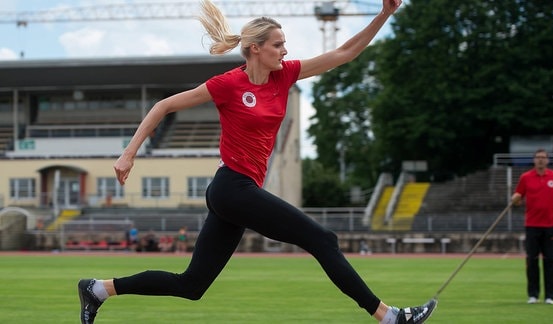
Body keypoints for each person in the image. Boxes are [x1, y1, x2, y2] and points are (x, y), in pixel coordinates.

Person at [77, 1, 436, 323]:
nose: (285, 50)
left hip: (234, 193)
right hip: (232, 187)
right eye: (278, 44)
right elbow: (163, 106)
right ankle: (389, 318)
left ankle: (98, 289)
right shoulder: (228, 84)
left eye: (284, 44)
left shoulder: (286, 75)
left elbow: (343, 53)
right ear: (256, 49)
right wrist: (128, 154)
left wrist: (384, 14)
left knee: (192, 284)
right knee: (323, 239)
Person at [510, 148, 553, 305]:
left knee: (550, 261)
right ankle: (533, 295)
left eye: (543, 158)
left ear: (547, 160)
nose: (540, 160)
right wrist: (515, 199)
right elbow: (518, 199)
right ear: (534, 160)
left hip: (550, 225)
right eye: (538, 157)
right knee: (531, 261)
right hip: (532, 225)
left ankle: (550, 296)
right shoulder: (526, 177)